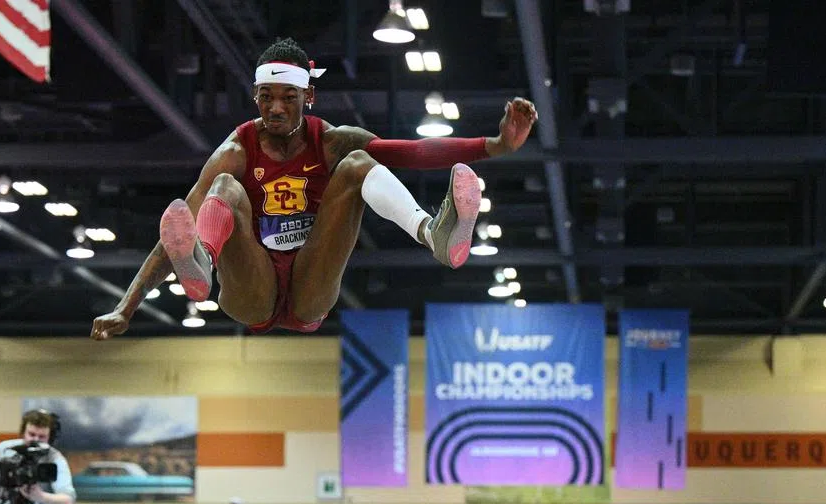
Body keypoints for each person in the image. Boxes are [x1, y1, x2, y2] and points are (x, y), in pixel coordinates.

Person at [90, 37, 536, 339]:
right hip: (252, 289)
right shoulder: (236, 150)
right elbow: (172, 235)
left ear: (309, 97)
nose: (275, 108)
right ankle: (202, 265)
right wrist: (125, 307)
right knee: (223, 187)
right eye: (266, 97)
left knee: (361, 162)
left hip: (311, 284)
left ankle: (432, 234)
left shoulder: (333, 140)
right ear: (255, 97)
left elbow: (412, 152)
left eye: (287, 97)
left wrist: (494, 146)